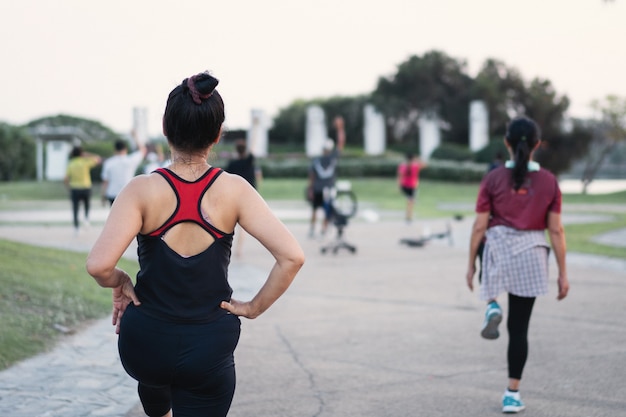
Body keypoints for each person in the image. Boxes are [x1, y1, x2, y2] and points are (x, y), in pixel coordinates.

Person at [86, 71, 305, 417]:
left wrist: (122, 282)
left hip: (146, 344)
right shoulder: (235, 190)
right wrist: (253, 308)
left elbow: (99, 266)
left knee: (157, 381)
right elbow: (292, 257)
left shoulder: (140, 189)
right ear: (217, 134)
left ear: (165, 127)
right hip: (208, 346)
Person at [465, 116, 569, 414]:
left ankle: (492, 302)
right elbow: (557, 231)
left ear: (506, 143)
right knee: (519, 328)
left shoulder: (493, 178)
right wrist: (562, 273)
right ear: (537, 144)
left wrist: (471, 265)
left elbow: (479, 227)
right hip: (532, 254)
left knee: (492, 241)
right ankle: (512, 393)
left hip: (497, 251)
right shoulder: (549, 181)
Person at [307, 116, 346, 238]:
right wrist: (340, 128)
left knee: (315, 210)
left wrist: (310, 189)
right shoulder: (332, 158)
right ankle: (323, 231)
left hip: (317, 188)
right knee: (327, 210)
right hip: (328, 189)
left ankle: (312, 230)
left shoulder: (316, 160)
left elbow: (311, 176)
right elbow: (341, 144)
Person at [225, 139, 262, 257]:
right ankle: (239, 250)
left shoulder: (232, 164)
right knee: (242, 226)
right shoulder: (249, 161)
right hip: (247, 197)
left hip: (233, 196)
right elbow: (253, 148)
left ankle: (229, 248)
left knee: (230, 224)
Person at [63, 145, 101, 235]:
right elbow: (98, 159)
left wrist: (68, 186)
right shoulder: (85, 162)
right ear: (81, 153)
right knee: (87, 205)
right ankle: (86, 219)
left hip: (75, 188)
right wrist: (87, 155)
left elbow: (65, 178)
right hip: (85, 187)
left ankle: (76, 227)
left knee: (75, 208)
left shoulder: (71, 164)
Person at [101, 134, 146, 206]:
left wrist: (103, 196)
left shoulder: (108, 162)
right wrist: (135, 136)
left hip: (112, 194)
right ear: (125, 149)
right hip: (127, 193)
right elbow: (142, 151)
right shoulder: (130, 160)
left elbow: (105, 181)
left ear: (115, 150)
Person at [396, 152, 426, 223]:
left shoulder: (403, 165)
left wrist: (398, 186)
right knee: (410, 202)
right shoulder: (415, 165)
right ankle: (409, 217)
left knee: (410, 201)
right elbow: (425, 165)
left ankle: (408, 216)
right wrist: (418, 159)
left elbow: (399, 176)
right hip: (410, 186)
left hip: (406, 186)